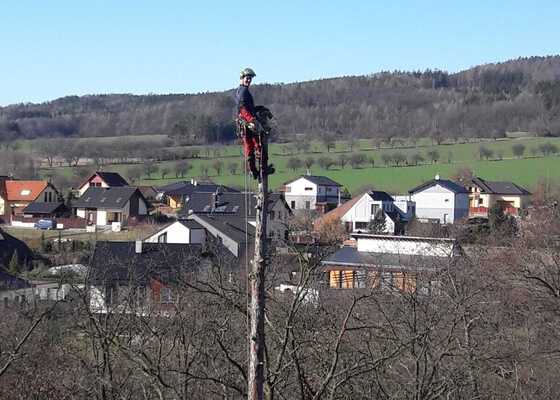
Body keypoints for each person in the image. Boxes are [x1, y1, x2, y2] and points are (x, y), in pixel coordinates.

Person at [235, 67, 275, 180]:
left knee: (254, 146)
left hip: (246, 122)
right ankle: (257, 170)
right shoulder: (242, 91)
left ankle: (256, 170)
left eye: (250, 78)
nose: (249, 80)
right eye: (247, 78)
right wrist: (251, 120)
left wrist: (260, 108)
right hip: (247, 124)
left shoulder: (243, 91)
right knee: (256, 145)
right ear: (242, 78)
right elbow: (242, 108)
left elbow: (249, 108)